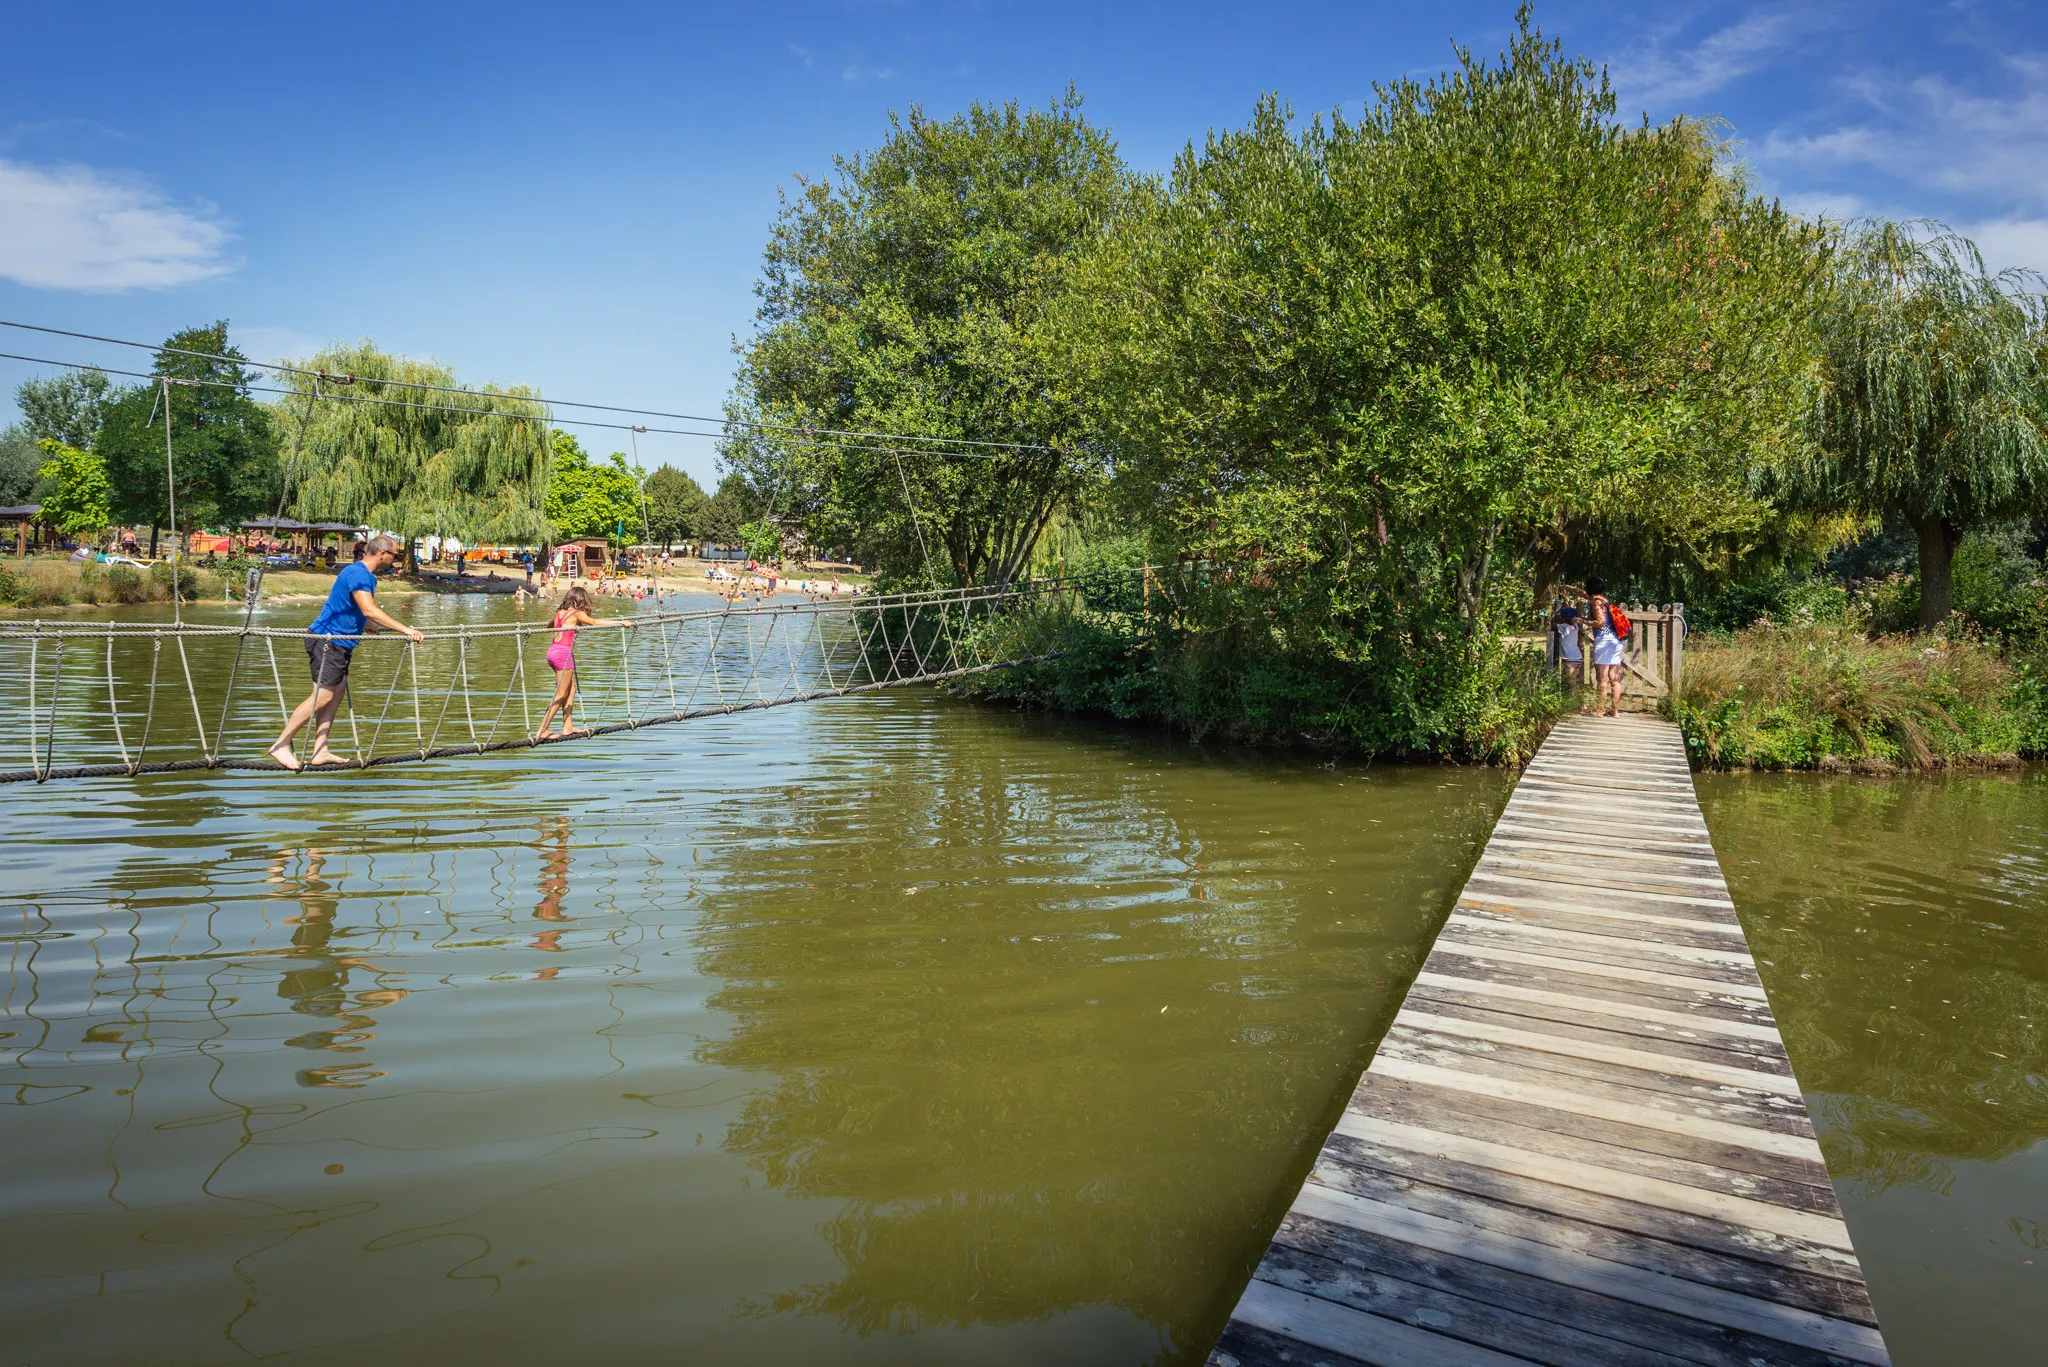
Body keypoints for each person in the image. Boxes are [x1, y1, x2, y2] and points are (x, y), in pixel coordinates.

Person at [268, 534, 423, 771]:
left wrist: (366, 625)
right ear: (382, 553)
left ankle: (320, 749)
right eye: (395, 555)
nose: (396, 559)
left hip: (338, 642)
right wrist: (406, 630)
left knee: (336, 692)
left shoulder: (364, 575)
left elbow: (352, 607)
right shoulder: (359, 574)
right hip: (327, 640)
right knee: (323, 695)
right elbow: (368, 608)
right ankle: (281, 743)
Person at [534, 586, 634, 740]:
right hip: (563, 655)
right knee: (561, 694)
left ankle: (567, 726)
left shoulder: (559, 612)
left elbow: (549, 625)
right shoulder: (577, 613)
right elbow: (594, 622)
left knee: (571, 688)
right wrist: (621, 623)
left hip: (552, 652)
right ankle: (543, 729)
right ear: (581, 600)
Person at [1584, 577, 1626, 717]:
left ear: (1589, 589)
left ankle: (1599, 710)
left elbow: (1600, 623)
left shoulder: (1595, 602)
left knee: (1602, 680)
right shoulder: (1604, 600)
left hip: (1604, 641)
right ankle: (1614, 711)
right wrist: (1568, 588)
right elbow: (1582, 594)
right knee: (1614, 678)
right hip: (1616, 641)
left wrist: (1584, 621)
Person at [1552, 603, 1584, 689]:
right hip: (1577, 657)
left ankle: (1573, 697)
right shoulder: (1575, 626)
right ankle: (1574, 696)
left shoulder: (1564, 627)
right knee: (1573, 678)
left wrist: (1554, 615)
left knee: (1571, 680)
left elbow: (1553, 625)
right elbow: (1570, 613)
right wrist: (1565, 598)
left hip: (1571, 658)